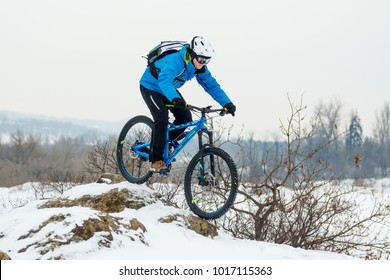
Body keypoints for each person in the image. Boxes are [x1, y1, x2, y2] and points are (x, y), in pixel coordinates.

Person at [139, 36, 236, 172]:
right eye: (202, 59)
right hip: (151, 86)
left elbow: (212, 86)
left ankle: (164, 144)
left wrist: (227, 103)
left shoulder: (199, 67)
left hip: (168, 89)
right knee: (161, 117)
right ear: (192, 54)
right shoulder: (175, 61)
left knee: (185, 117)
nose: (204, 63)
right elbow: (165, 80)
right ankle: (156, 160)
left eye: (207, 60)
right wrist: (174, 98)